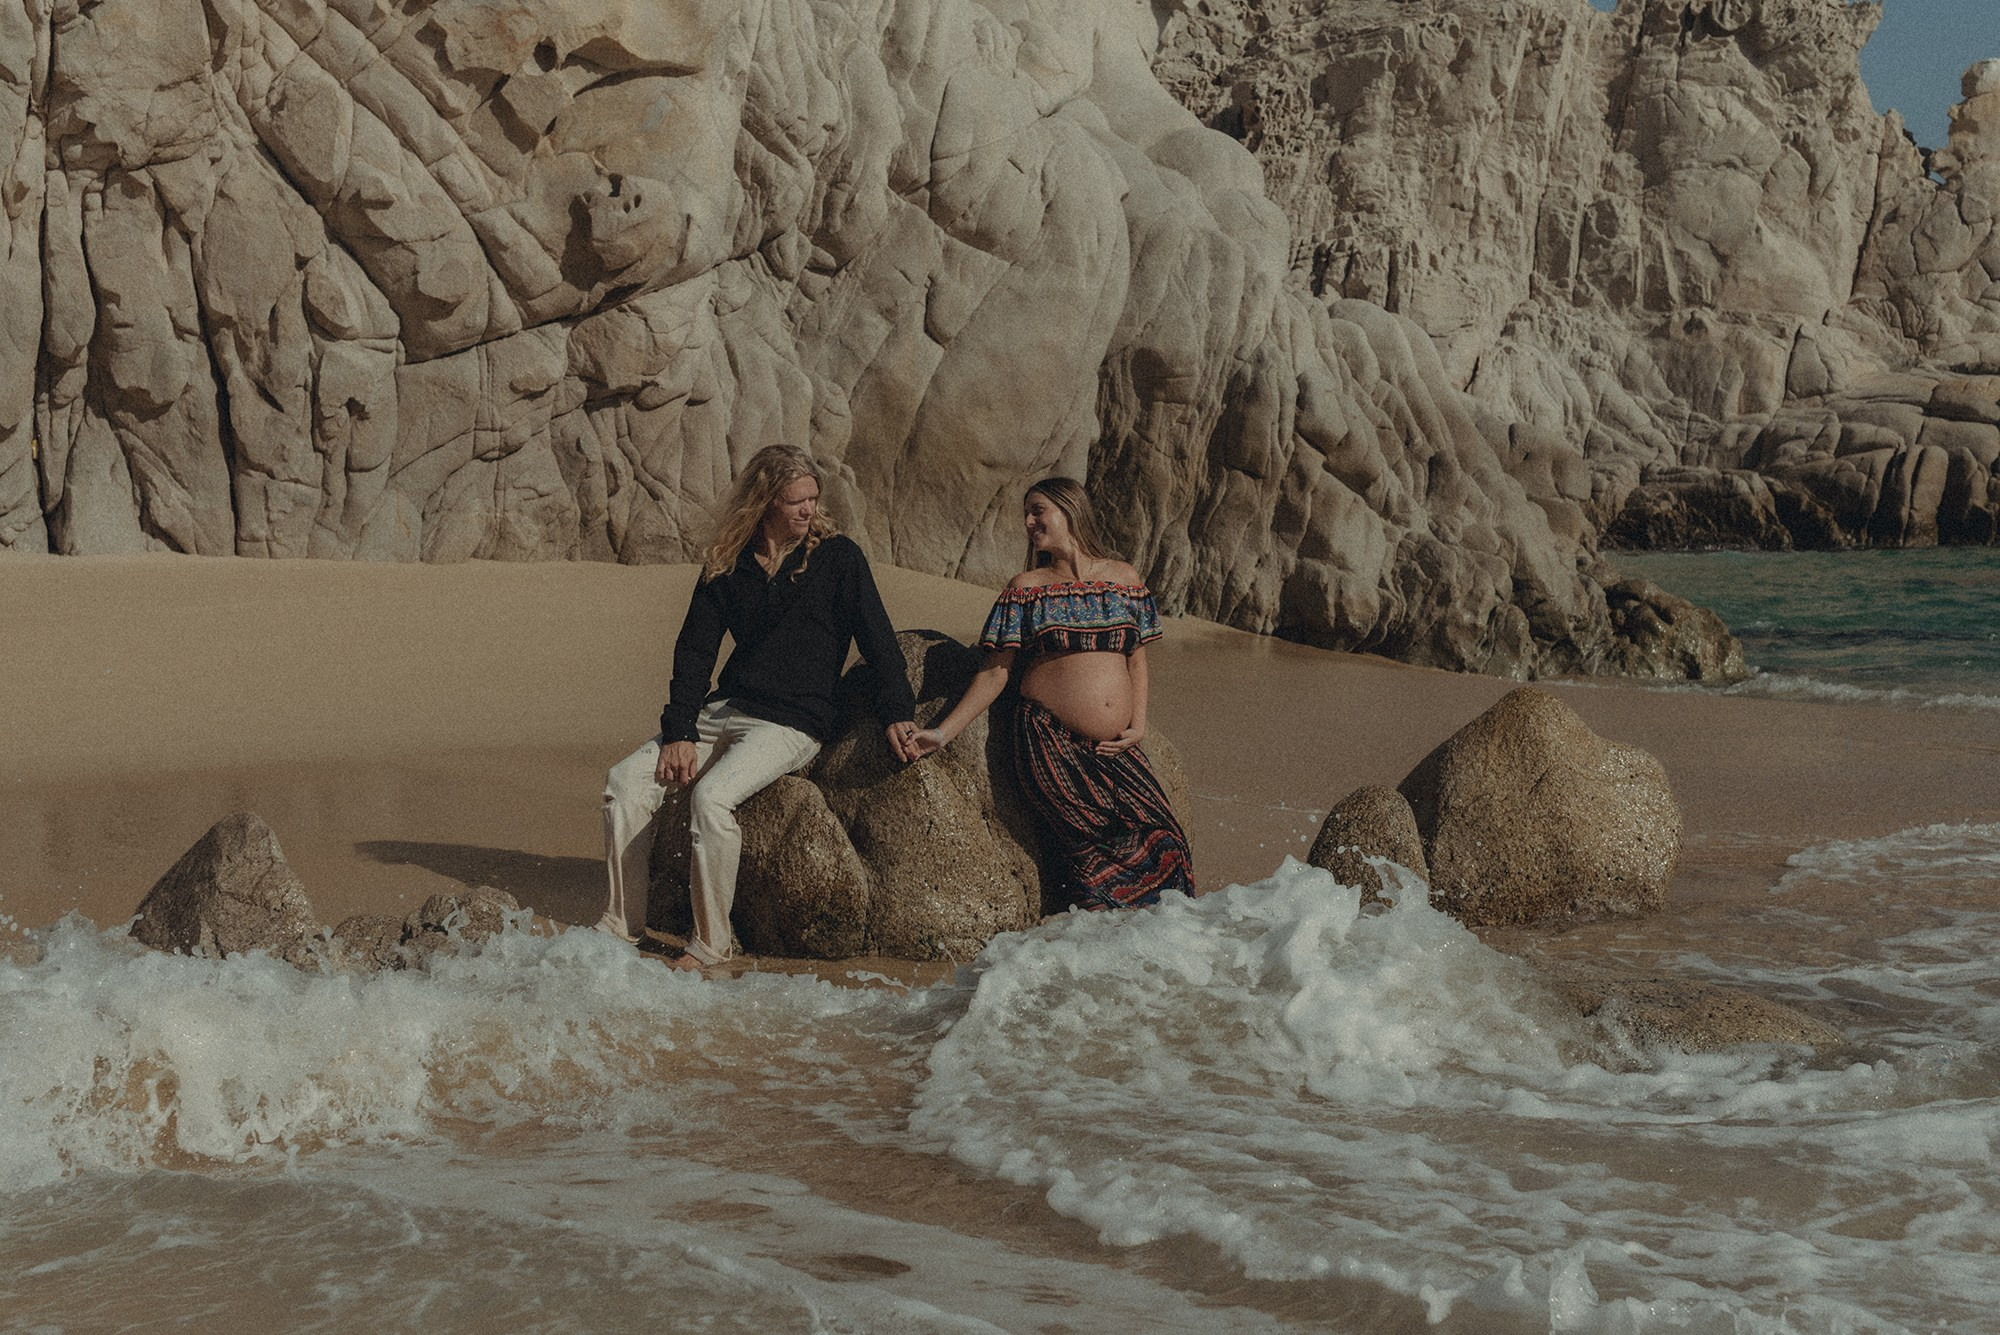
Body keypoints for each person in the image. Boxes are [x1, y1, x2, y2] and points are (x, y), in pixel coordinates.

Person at [598, 445, 922, 971]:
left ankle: (711, 944)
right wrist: (680, 729)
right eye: (796, 500)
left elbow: (878, 641)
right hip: (725, 708)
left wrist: (896, 711)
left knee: (712, 799)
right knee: (624, 783)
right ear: (766, 500)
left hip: (793, 722)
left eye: (813, 499)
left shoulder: (839, 559)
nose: (808, 510)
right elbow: (695, 651)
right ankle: (620, 927)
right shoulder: (728, 561)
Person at [909, 477, 1194, 910]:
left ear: (1070, 509)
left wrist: (1137, 723)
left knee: (1167, 839)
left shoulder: (1124, 578)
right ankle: (1090, 948)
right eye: (1027, 513)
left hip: (1116, 747)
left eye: (1038, 510)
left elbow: (1135, 658)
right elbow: (994, 674)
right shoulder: (1026, 588)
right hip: (1048, 740)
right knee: (1093, 847)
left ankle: (1152, 960)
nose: (1028, 522)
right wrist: (941, 733)